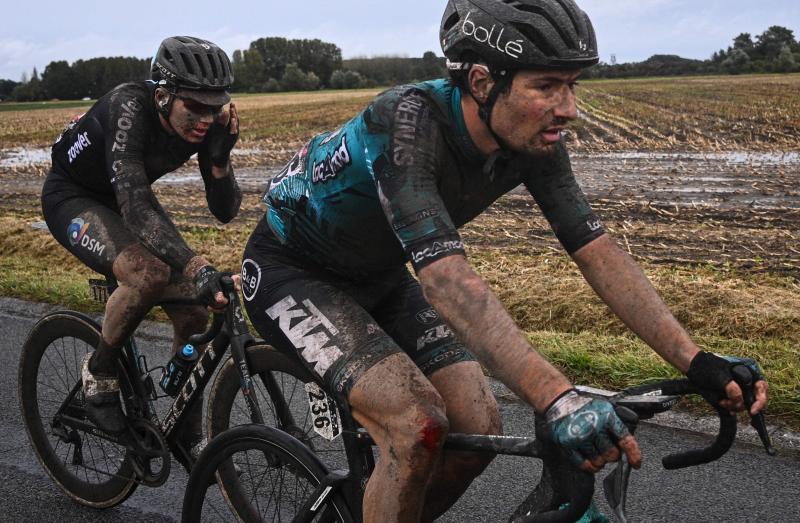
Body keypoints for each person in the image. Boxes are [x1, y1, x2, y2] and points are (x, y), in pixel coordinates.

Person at [242, 1, 769, 521]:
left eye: (572, 85)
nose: (569, 108)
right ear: (481, 81)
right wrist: (558, 399)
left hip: (379, 275)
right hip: (294, 271)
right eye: (547, 86)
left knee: (478, 427)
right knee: (416, 425)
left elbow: (597, 252)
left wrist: (695, 361)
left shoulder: (534, 141)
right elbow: (447, 282)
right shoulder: (405, 124)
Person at [41, 36, 242, 454]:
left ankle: (186, 428)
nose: (206, 118)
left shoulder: (209, 125)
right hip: (74, 197)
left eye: (215, 106)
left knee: (195, 306)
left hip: (124, 197)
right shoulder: (128, 107)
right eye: (195, 106)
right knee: (148, 274)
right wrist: (197, 265)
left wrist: (220, 159)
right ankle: (99, 374)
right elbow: (135, 207)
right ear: (164, 96)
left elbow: (225, 212)